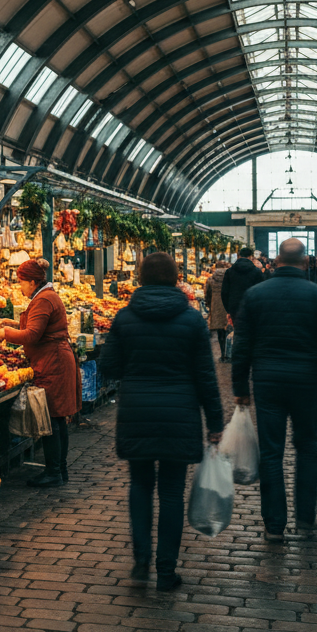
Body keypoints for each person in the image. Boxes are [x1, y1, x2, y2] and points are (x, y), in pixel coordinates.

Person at [99, 253, 224, 591]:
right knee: (171, 493)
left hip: (136, 411)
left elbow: (108, 366)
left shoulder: (125, 318)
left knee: (140, 486)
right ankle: (166, 572)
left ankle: (141, 560)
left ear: (140, 278)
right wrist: (215, 421)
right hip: (179, 414)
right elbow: (205, 377)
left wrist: (135, 369)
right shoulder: (192, 320)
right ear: (175, 278)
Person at [231, 238, 317, 542]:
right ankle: (306, 518)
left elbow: (241, 345)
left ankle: (274, 525)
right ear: (306, 263)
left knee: (271, 452)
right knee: (307, 448)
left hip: (267, 381)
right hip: (306, 382)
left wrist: (241, 386)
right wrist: (316, 368)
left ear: (276, 262)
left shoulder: (255, 295)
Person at [0, 259, 79, 487]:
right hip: (52, 361)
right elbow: (35, 330)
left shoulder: (44, 299)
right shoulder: (44, 297)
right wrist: (13, 325)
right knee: (56, 418)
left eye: (21, 282)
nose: (20, 287)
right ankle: (59, 470)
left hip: (54, 364)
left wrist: (5, 332)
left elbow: (32, 336)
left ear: (31, 282)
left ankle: (54, 472)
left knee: (52, 418)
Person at [221, 247, 265, 320]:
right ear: (251, 257)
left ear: (239, 256)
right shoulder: (257, 272)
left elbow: (224, 292)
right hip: (252, 306)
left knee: (237, 330)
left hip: (235, 307)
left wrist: (228, 310)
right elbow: (261, 291)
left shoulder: (229, 272)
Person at [204, 260, 230, 361]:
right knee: (228, 330)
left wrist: (209, 304)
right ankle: (229, 353)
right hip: (227, 306)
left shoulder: (211, 279)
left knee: (220, 332)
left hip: (216, 306)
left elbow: (208, 295)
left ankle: (223, 353)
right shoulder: (230, 278)